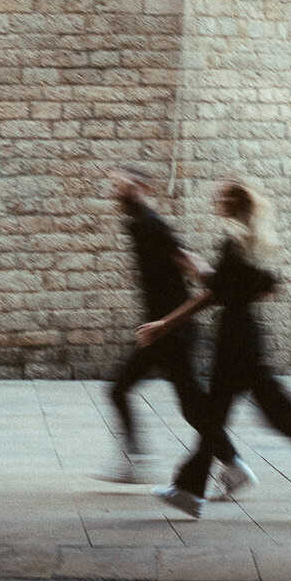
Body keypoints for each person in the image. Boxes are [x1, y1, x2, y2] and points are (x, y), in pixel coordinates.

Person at [140, 177, 291, 519]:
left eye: (220, 196)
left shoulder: (234, 243)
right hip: (243, 335)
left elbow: (212, 295)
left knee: (256, 412)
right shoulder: (253, 243)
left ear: (233, 203)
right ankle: (190, 490)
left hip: (234, 342)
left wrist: (166, 321)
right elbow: (264, 286)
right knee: (239, 413)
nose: (214, 199)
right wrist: (215, 280)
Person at [103, 167, 254, 496]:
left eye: (122, 184)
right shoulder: (136, 222)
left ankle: (233, 465)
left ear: (141, 187)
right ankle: (137, 458)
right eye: (115, 185)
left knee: (190, 405)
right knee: (123, 389)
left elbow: (184, 255)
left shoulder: (150, 223)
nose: (116, 190)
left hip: (171, 331)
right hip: (159, 330)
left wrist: (215, 280)